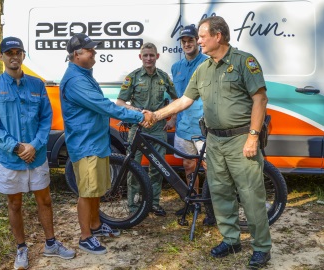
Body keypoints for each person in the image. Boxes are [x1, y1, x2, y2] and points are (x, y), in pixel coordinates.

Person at [150, 16, 271, 269]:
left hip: (241, 140)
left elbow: (259, 99)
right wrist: (156, 115)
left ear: (218, 36)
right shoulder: (202, 69)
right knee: (220, 192)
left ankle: (261, 247)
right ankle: (231, 239)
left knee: (250, 195)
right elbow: (184, 100)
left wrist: (252, 137)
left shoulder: (243, 62)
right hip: (214, 140)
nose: (199, 40)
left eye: (203, 36)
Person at [0, 37, 75, 270]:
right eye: (9, 52)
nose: (14, 56)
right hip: (9, 158)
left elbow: (46, 119)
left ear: (23, 55)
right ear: (1, 56)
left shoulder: (37, 85)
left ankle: (51, 244)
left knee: (45, 200)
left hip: (37, 155)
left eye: (18, 52)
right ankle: (21, 248)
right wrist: (17, 147)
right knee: (14, 204)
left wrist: (34, 144)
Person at [60, 33, 152, 255]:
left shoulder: (84, 74)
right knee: (87, 192)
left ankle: (96, 225)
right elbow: (104, 106)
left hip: (97, 142)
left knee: (96, 190)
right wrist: (139, 115)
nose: (95, 53)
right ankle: (85, 237)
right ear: (77, 54)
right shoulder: (75, 81)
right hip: (85, 145)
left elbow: (103, 106)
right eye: (90, 50)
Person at [116, 42, 178, 217]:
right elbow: (120, 103)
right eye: (145, 55)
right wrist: (138, 112)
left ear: (157, 57)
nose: (149, 58)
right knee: (133, 168)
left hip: (158, 129)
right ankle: (134, 206)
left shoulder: (164, 77)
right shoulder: (133, 77)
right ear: (140, 57)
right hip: (138, 129)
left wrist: (172, 119)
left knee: (157, 168)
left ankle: (153, 203)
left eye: (152, 55)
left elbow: (176, 99)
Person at [171, 24, 212, 219]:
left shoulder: (207, 63)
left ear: (197, 41)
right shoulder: (176, 67)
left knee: (209, 167)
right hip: (183, 126)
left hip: (204, 126)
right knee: (189, 165)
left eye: (191, 40)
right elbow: (175, 97)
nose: (187, 44)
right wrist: (171, 119)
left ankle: (212, 208)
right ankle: (194, 203)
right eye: (184, 41)